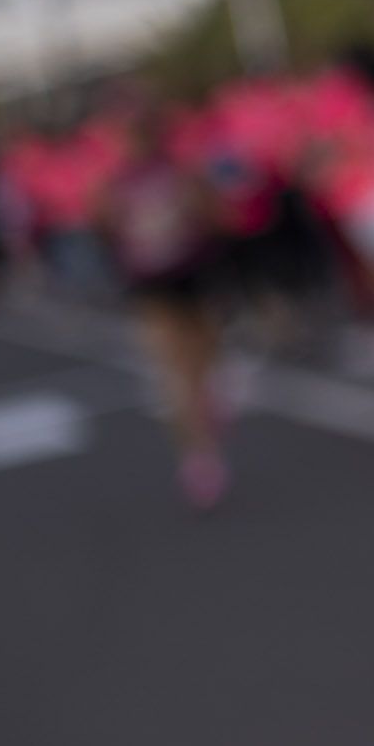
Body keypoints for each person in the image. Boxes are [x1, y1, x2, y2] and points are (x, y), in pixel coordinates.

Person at [99, 99, 231, 508]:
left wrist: (192, 211)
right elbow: (103, 225)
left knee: (205, 355)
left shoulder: (180, 171)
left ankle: (206, 405)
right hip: (150, 284)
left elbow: (212, 214)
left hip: (190, 273)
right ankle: (198, 458)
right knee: (174, 372)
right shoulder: (115, 182)